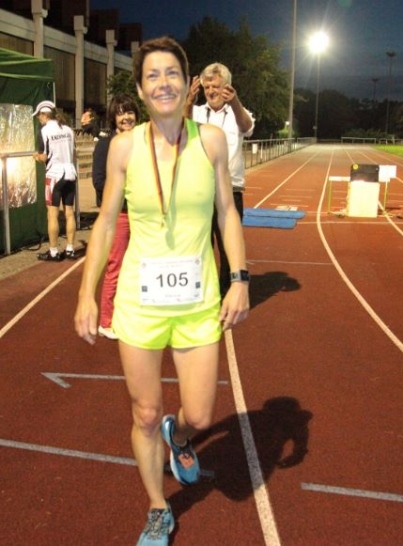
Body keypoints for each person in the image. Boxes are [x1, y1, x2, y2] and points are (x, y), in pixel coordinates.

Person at [74, 36, 250, 546]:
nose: (163, 83)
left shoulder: (210, 141)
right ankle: (157, 507)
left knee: (201, 414)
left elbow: (227, 213)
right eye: (152, 75)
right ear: (139, 88)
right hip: (140, 301)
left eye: (171, 73)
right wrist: (87, 294)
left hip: (197, 301)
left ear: (186, 82)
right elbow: (106, 221)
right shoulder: (125, 147)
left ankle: (182, 435)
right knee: (145, 413)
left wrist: (239, 279)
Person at [184, 63, 255, 297]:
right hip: (201, 191)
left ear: (226, 86)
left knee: (228, 247)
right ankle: (203, 292)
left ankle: (227, 293)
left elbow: (246, 126)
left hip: (230, 191)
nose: (211, 91)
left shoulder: (238, 112)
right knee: (201, 245)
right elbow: (181, 129)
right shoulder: (196, 112)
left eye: (215, 86)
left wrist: (235, 102)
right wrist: (188, 101)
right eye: (206, 87)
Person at [92, 93, 140, 340]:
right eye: (121, 113)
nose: (126, 117)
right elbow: (99, 181)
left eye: (130, 112)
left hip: (141, 215)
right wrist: (125, 190)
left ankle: (131, 316)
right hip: (119, 215)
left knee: (138, 267)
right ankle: (106, 321)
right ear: (113, 117)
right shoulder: (106, 145)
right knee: (116, 267)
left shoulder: (142, 143)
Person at [33, 100, 78, 261]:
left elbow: (44, 156)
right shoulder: (68, 129)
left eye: (39, 116)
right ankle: (70, 249)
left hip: (54, 175)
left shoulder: (45, 131)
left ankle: (53, 251)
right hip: (70, 173)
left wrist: (36, 156)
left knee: (52, 214)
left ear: (44, 115)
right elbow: (74, 153)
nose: (39, 119)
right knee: (69, 213)